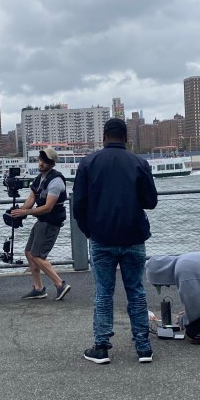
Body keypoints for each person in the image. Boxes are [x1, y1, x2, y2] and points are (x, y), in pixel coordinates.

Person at [72, 117, 158, 364]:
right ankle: (143, 348)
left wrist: (90, 231)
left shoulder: (88, 163)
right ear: (127, 138)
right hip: (134, 237)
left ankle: (101, 347)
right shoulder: (139, 163)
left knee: (103, 293)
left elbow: (78, 206)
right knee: (136, 291)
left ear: (104, 137)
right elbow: (151, 202)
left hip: (102, 237)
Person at [9, 147, 71, 301]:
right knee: (29, 253)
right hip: (42, 221)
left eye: (46, 161)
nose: (41, 163)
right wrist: (18, 212)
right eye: (41, 159)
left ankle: (60, 284)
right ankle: (38, 288)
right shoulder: (39, 178)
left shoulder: (56, 181)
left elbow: (48, 207)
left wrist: (25, 212)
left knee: (37, 255)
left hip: (51, 222)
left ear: (53, 163)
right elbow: (31, 198)